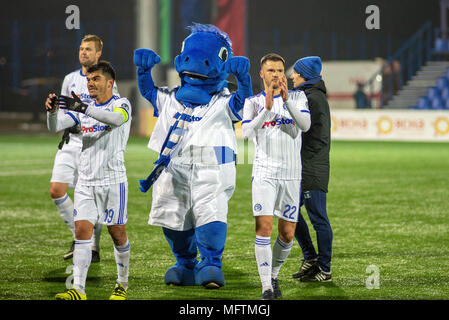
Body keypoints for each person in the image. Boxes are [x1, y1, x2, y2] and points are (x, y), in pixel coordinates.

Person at [46, 61, 132, 300]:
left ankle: (121, 285)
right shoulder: (85, 108)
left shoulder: (121, 104)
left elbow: (116, 120)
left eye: (96, 79)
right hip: (86, 182)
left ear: (109, 82)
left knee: (117, 234)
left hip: (113, 182)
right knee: (82, 232)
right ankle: (78, 290)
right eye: (89, 79)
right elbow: (55, 126)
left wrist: (83, 108)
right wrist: (52, 111)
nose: (90, 83)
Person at [242, 53, 311, 300]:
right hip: (264, 173)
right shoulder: (252, 102)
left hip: (292, 174)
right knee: (264, 228)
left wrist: (286, 101)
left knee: (287, 233)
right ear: (261, 74)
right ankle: (266, 288)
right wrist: (267, 109)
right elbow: (246, 132)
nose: (277, 75)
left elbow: (305, 125)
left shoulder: (299, 97)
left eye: (280, 71)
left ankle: (273, 274)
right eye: (271, 71)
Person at [49, 34, 118, 262]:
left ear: (98, 53)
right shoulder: (70, 79)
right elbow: (62, 111)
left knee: (86, 196)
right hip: (71, 141)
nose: (83, 52)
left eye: (89, 49)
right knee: (56, 190)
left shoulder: (105, 79)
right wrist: (55, 116)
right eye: (81, 48)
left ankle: (92, 247)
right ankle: (79, 237)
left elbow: (111, 111)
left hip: (91, 142)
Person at [289, 56, 333, 282]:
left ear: (305, 74)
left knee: (318, 218)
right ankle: (311, 258)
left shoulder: (313, 98)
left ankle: (324, 269)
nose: (291, 76)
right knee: (289, 213)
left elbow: (312, 136)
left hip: (312, 167)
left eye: (295, 72)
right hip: (304, 165)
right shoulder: (309, 95)